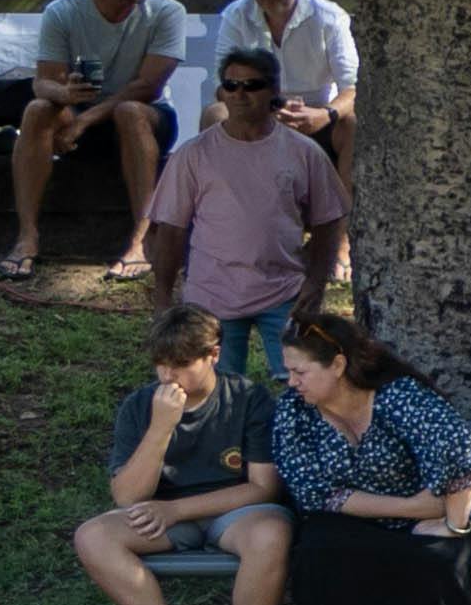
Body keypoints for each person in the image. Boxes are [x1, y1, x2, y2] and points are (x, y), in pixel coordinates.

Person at [251, 304, 471, 605]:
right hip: (383, 513)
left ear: (337, 365)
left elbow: (461, 461)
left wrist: (453, 524)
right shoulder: (295, 412)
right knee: (317, 552)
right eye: (288, 372)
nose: (291, 382)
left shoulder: (398, 396)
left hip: (448, 512)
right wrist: (416, 507)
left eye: (300, 372)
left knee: (433, 556)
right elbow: (315, 493)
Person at [67, 301, 286, 605]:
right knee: (93, 536)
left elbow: (263, 487)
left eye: (182, 365)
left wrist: (178, 510)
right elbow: (129, 497)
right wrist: (162, 426)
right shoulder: (140, 405)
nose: (169, 377)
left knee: (271, 534)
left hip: (234, 510)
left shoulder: (248, 398)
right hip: (162, 512)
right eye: (161, 366)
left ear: (213, 355)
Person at [139, 46, 350, 401]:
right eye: (231, 85)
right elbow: (170, 230)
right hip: (212, 294)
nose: (239, 94)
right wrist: (163, 295)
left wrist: (315, 283)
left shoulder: (304, 151)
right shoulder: (193, 153)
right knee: (213, 395)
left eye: (251, 86)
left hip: (285, 291)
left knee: (303, 391)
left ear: (273, 92)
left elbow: (329, 221)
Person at [1, 0, 185, 284]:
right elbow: (43, 82)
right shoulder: (64, 11)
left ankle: (142, 240)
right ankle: (27, 236)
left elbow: (149, 86)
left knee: (129, 111)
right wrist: (66, 93)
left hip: (146, 116)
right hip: (81, 115)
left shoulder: (167, 12)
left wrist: (82, 121)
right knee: (38, 109)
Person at [196, 0, 357, 156]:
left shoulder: (330, 17)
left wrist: (324, 115)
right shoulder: (236, 15)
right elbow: (223, 85)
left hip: (319, 113)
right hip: (259, 109)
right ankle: (222, 190)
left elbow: (352, 88)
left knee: (352, 123)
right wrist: (268, 110)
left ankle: (344, 191)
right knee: (215, 114)